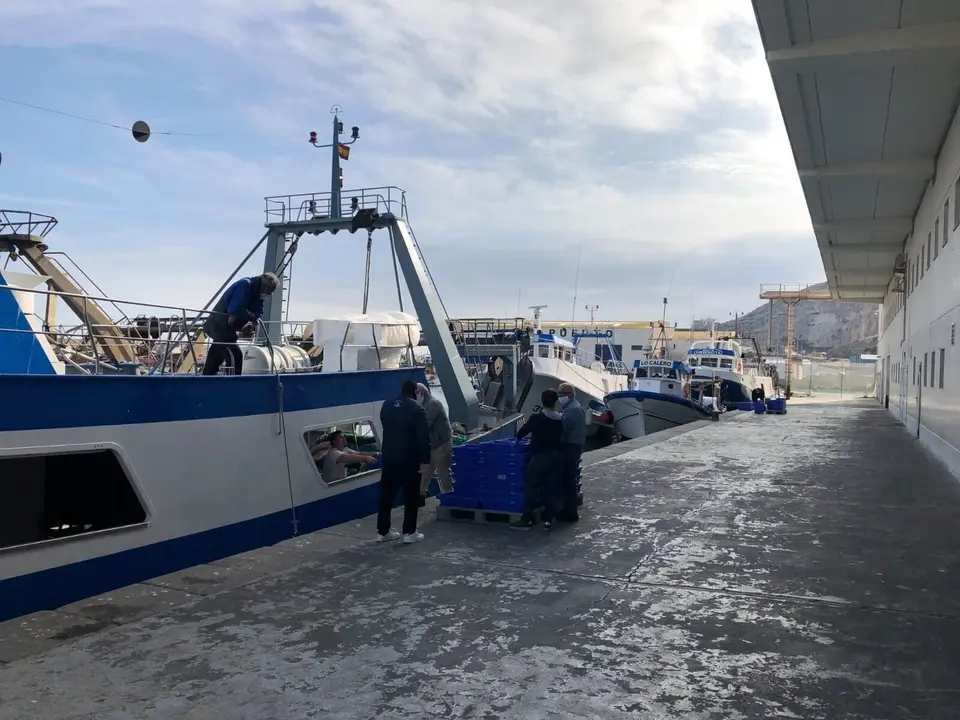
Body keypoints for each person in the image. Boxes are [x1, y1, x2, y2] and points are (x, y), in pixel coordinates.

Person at [377, 379, 431, 544]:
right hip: (409, 460)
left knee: (386, 497)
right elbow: (423, 437)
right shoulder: (417, 409)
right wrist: (425, 459)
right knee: (410, 497)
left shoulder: (386, 405)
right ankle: (409, 532)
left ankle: (383, 532)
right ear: (415, 392)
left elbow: (385, 425)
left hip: (390, 458)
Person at [201, 273, 279, 376]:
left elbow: (258, 312)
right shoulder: (245, 285)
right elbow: (235, 309)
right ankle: (233, 384)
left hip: (228, 329)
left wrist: (248, 316)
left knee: (216, 354)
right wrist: (250, 316)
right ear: (264, 288)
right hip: (220, 325)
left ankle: (206, 380)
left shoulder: (256, 294)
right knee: (235, 356)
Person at [510, 389, 564, 530]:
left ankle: (527, 518)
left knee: (532, 486)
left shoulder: (537, 418)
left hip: (539, 457)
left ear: (542, 401)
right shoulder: (560, 419)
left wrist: (517, 440)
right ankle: (548, 520)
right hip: (556, 457)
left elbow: (522, 432)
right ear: (556, 401)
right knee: (551, 488)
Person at [415, 383, 454, 506]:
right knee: (424, 473)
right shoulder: (421, 405)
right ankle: (420, 498)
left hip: (440, 444)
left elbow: (425, 425)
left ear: (422, 393)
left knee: (443, 474)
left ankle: (450, 498)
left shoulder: (434, 404)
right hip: (430, 446)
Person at [556, 382, 585, 522]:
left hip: (570, 447)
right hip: (575, 446)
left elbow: (563, 429)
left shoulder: (572, 410)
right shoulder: (576, 407)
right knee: (570, 479)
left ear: (569, 395)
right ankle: (569, 509)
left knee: (568, 480)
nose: (559, 397)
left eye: (561, 395)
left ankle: (570, 512)